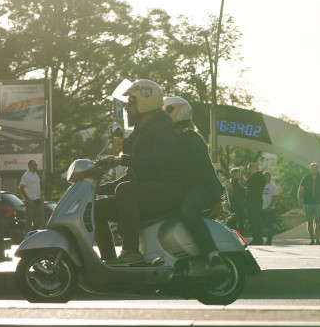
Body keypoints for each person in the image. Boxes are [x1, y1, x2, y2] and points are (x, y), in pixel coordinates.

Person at [94, 79, 184, 265]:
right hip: (147, 191)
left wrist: (122, 159)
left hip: (167, 190)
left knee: (126, 190)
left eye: (131, 102)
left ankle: (131, 252)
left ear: (145, 102)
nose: (127, 108)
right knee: (95, 210)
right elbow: (134, 174)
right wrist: (101, 188)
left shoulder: (162, 128)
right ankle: (109, 260)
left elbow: (156, 161)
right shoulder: (139, 132)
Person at [164, 96, 227, 272]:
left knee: (188, 212)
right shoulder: (172, 140)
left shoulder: (191, 139)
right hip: (186, 188)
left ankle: (213, 255)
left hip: (200, 187)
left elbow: (207, 170)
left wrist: (216, 198)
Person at [298, 162, 320, 245]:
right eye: (312, 169)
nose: (314, 170)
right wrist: (300, 200)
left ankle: (318, 239)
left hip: (319, 202)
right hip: (308, 202)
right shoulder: (306, 178)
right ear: (310, 169)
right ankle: (312, 239)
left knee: (318, 221)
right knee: (309, 221)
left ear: (317, 169)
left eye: (315, 169)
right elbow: (300, 190)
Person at [17, 159, 44, 230]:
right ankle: (28, 237)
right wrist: (28, 199)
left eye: (36, 164)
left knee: (39, 221)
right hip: (31, 201)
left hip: (37, 200)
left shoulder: (36, 175)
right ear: (30, 166)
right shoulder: (26, 175)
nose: (36, 166)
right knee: (29, 221)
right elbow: (21, 188)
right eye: (34, 164)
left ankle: (38, 237)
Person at [245, 162, 267, 246]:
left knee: (255, 221)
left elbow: (245, 184)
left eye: (250, 168)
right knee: (257, 221)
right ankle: (258, 239)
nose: (249, 170)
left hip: (254, 202)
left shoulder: (256, 176)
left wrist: (240, 177)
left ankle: (256, 239)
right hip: (256, 201)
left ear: (255, 168)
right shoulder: (259, 176)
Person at [226, 167, 247, 234]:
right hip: (233, 203)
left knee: (241, 220)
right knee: (233, 220)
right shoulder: (232, 181)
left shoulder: (241, 180)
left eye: (233, 174)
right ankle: (234, 233)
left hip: (241, 203)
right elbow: (230, 192)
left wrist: (239, 178)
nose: (232, 175)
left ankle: (242, 234)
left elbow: (244, 188)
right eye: (231, 174)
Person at [261, 171, 279, 246]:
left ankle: (269, 241)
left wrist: (269, 206)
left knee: (269, 226)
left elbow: (275, 198)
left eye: (266, 176)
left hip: (269, 209)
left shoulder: (273, 186)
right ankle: (260, 240)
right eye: (264, 176)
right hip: (261, 208)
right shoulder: (261, 186)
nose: (265, 178)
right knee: (260, 225)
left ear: (269, 177)